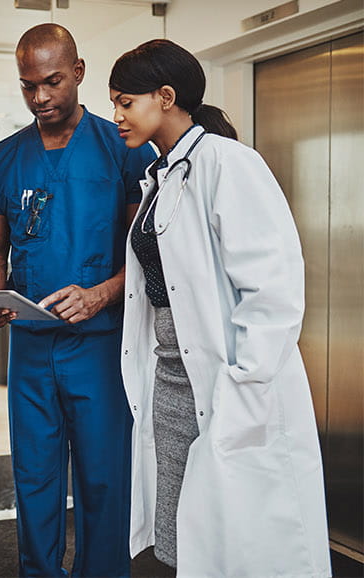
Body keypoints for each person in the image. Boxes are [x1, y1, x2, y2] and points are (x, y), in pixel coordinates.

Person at [108, 39, 331, 577]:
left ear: (165, 97)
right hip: (171, 381)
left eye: (125, 102)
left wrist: (244, 382)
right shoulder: (162, 175)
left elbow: (273, 290)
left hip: (226, 386)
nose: (116, 116)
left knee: (237, 543)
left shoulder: (229, 164)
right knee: (179, 537)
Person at [0, 23, 154, 577]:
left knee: (103, 477)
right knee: (35, 476)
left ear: (78, 73)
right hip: (31, 347)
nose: (41, 97)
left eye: (52, 82)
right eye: (28, 86)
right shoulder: (3, 158)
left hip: (100, 345)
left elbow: (146, 253)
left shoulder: (122, 150)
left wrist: (101, 294)